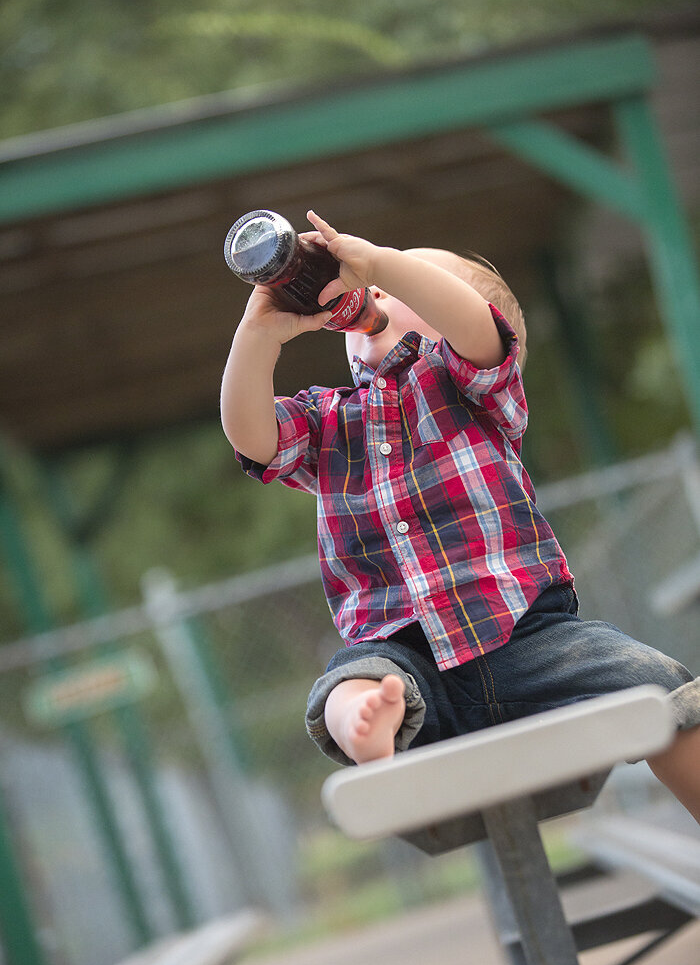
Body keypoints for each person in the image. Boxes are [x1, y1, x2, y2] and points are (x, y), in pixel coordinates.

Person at [221, 209, 700, 824]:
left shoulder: (472, 386)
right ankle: (372, 728)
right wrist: (257, 333)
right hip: (409, 663)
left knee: (657, 680)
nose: (374, 291)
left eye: (404, 284)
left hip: (530, 639)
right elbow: (252, 435)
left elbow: (471, 323)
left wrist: (377, 261)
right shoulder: (328, 420)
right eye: (377, 284)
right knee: (348, 682)